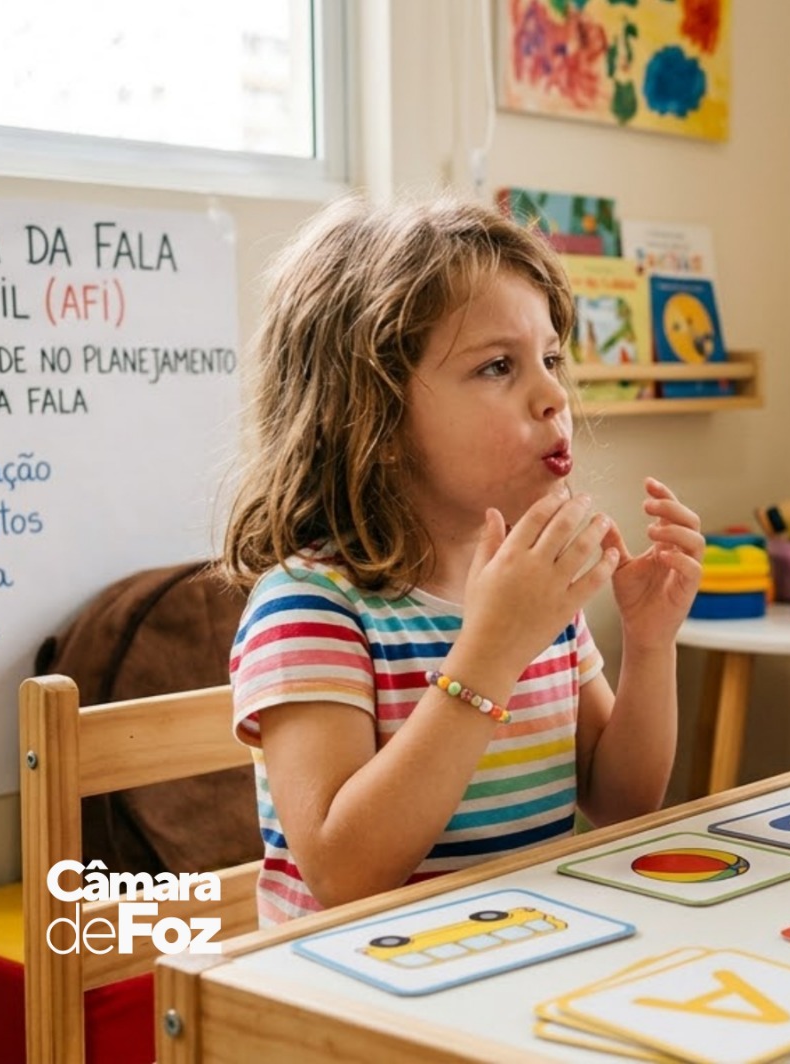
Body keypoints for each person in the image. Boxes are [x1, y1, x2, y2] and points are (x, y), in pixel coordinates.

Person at [221, 195, 705, 925]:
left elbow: (619, 801)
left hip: (511, 968)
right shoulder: (310, 607)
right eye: (497, 367)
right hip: (351, 1002)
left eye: (549, 358)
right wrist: (491, 650)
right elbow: (344, 873)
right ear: (373, 417)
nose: (552, 396)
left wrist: (651, 642)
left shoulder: (535, 589)